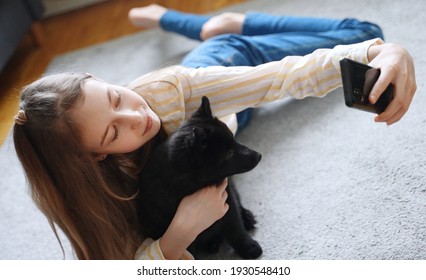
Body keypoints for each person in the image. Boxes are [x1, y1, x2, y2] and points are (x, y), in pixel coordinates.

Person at [12, 4, 416, 260]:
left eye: (117, 97)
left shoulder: (163, 94)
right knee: (243, 116)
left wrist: (382, 51)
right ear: (95, 157)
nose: (138, 117)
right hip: (228, 123)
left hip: (219, 68)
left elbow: (280, 79)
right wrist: (176, 237)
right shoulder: (92, 191)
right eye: (113, 133)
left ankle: (226, 23)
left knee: (363, 29)